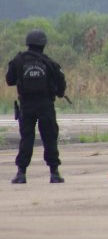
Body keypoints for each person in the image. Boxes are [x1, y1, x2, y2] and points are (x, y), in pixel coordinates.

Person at [6, 29, 67, 184]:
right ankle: (54, 173)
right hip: (45, 105)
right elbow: (61, 84)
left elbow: (9, 80)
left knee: (26, 138)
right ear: (43, 44)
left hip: (26, 105)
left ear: (28, 43)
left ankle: (21, 173)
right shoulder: (49, 63)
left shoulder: (18, 61)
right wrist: (58, 93)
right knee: (50, 137)